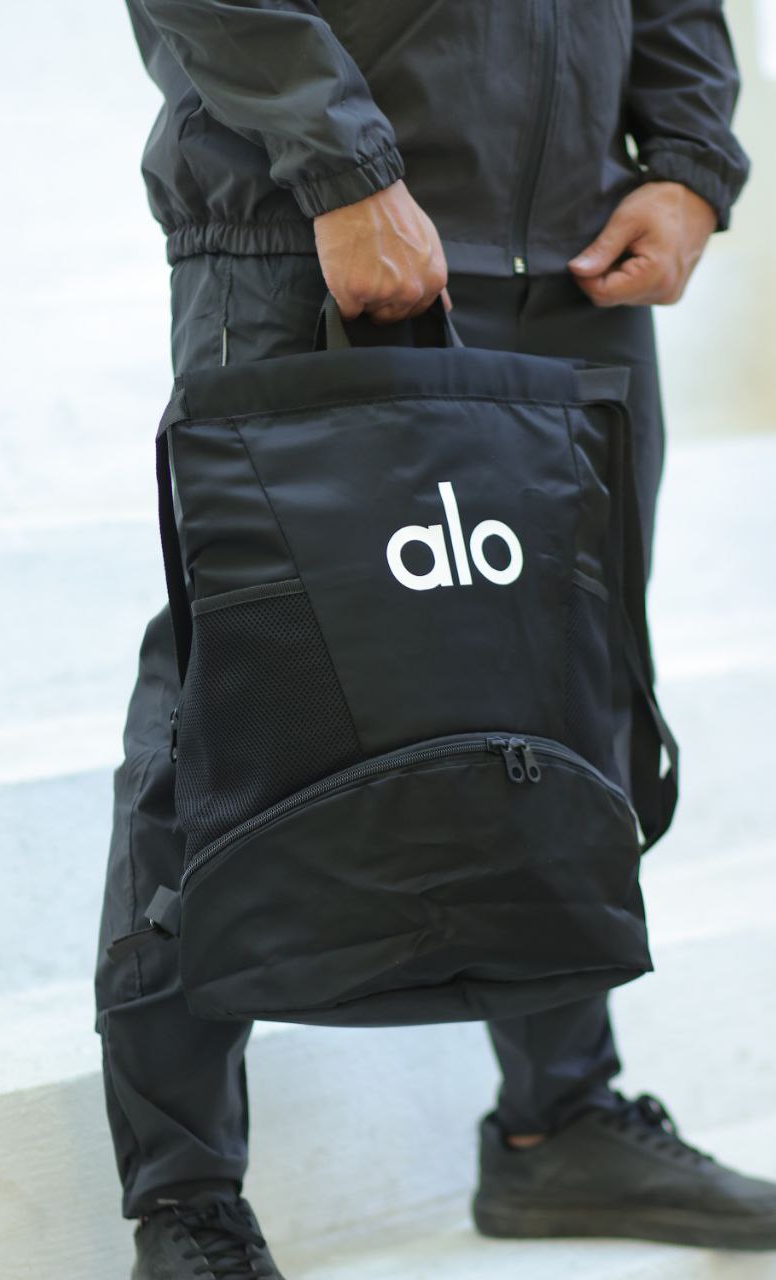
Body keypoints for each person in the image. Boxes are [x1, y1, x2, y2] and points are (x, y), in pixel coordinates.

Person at [94, 2, 776, 1276]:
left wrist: (689, 164)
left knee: (569, 680)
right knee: (233, 702)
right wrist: (344, 168)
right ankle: (186, 1198)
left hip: (578, 261)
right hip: (317, 230)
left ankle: (560, 1120)